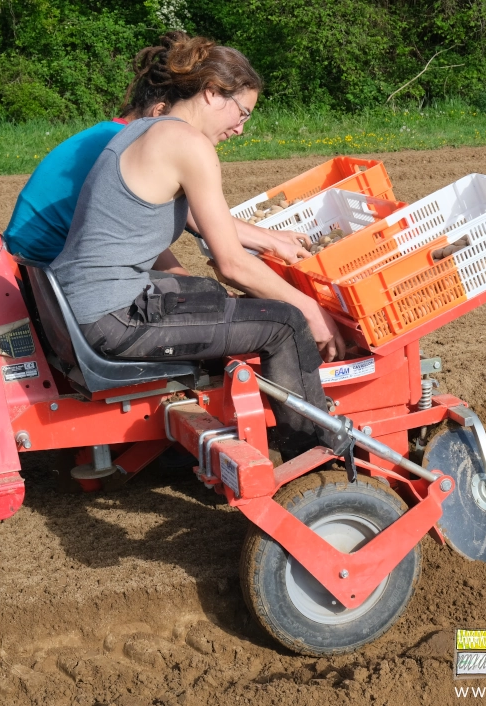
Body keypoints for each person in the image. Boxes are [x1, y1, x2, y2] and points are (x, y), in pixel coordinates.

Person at [51, 32, 346, 455]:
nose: (241, 128)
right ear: (211, 93)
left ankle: (238, 415)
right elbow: (232, 264)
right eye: (242, 113)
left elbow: (194, 218)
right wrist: (311, 311)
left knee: (208, 295)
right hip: (110, 316)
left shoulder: (145, 129)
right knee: (284, 324)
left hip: (80, 304)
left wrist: (268, 240)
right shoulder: (190, 146)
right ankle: (314, 452)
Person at [4, 32, 309, 266]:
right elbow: (195, 219)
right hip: (44, 267)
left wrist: (271, 238)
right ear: (160, 110)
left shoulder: (108, 133)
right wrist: (270, 241)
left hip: (37, 263)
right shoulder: (121, 142)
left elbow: (143, 228)